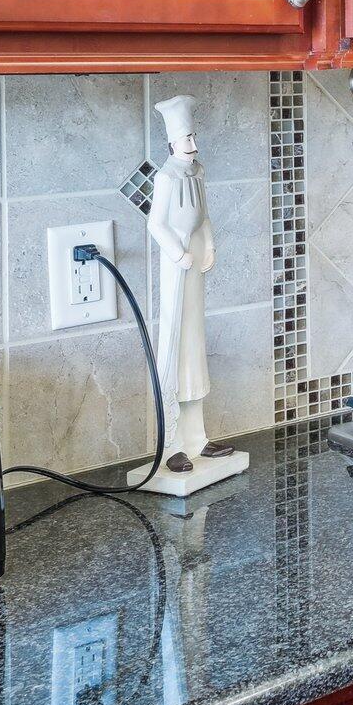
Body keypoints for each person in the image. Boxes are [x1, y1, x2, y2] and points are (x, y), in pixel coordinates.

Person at [145, 94, 240, 480]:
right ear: (172, 143)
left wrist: (209, 246)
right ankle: (171, 445)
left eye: (194, 137)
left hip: (196, 255)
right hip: (178, 261)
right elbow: (155, 223)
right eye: (187, 138)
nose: (193, 144)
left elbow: (205, 216)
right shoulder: (166, 178)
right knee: (175, 348)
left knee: (195, 347)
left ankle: (198, 439)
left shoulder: (198, 173)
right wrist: (177, 253)